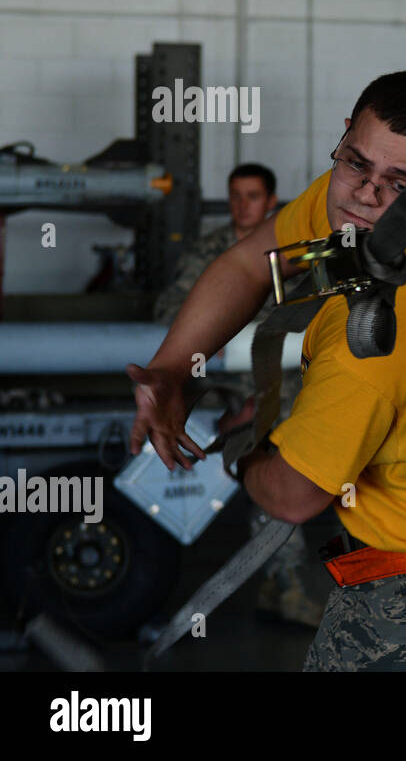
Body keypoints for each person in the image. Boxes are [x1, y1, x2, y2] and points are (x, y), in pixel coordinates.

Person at [129, 70, 406, 671]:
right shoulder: (383, 230)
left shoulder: (375, 346)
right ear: (347, 137)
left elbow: (295, 496)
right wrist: (172, 370)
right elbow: (256, 264)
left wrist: (244, 445)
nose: (366, 195)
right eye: (356, 165)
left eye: (398, 183)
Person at [153, 163, 321, 629]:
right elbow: (171, 308)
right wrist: (213, 327)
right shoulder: (213, 250)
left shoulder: (295, 250)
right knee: (272, 473)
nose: (241, 205)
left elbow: (326, 309)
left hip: (290, 386)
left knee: (293, 475)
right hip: (231, 389)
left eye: (251, 196)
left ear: (270, 201)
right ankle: (283, 585)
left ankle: (278, 583)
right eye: (234, 196)